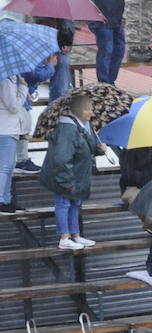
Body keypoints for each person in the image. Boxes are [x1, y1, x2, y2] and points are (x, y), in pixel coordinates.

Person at [39, 90, 104, 249]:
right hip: (66, 176)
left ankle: (75, 235)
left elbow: (88, 147)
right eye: (87, 109)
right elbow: (62, 158)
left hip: (78, 175)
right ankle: (64, 237)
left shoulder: (84, 126)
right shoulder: (67, 129)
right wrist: (67, 181)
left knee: (75, 203)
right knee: (63, 203)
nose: (91, 112)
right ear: (78, 111)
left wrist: (100, 149)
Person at [82, 0, 137, 84]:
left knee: (119, 50)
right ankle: (103, 82)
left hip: (117, 19)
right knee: (106, 50)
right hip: (100, 18)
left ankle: (110, 81)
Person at [37, 0, 79, 101]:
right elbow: (50, 20)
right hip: (54, 43)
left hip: (61, 43)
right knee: (60, 90)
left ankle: (57, 109)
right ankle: (55, 112)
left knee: (63, 88)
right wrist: (65, 40)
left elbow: (67, 22)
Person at [0, 72, 24, 214]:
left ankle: (6, 199)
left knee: (9, 167)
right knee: (4, 167)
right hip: (5, 128)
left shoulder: (10, 79)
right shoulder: (6, 80)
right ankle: (1, 199)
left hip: (9, 128)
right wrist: (23, 89)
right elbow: (13, 106)